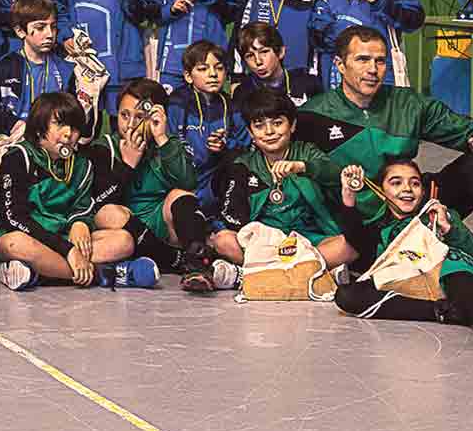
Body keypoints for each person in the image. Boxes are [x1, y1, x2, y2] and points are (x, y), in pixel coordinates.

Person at [308, 26, 473, 302]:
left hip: (413, 203)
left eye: (380, 61)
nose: (373, 69)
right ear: (340, 65)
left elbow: (471, 130)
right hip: (370, 228)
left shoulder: (408, 104)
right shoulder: (314, 115)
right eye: (362, 60)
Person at [330, 159, 473, 352]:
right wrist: (348, 194)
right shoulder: (379, 230)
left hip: (446, 272)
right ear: (382, 190)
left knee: (458, 275)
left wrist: (450, 230)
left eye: (415, 183)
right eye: (396, 182)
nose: (407, 189)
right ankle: (444, 311)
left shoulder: (438, 215)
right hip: (408, 279)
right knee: (347, 296)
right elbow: (354, 237)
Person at [0, 92, 144, 291]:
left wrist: (79, 223)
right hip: (25, 235)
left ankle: (39, 272)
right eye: (59, 124)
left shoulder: (81, 163)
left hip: (60, 236)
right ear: (38, 129)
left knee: (123, 241)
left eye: (74, 127)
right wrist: (69, 251)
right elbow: (13, 219)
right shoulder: (18, 158)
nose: (68, 134)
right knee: (15, 244)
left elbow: (83, 207)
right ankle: (102, 274)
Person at [106, 79, 234, 292]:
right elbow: (102, 201)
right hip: (123, 230)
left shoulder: (169, 143)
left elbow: (189, 184)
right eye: (124, 115)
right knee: (111, 213)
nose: (129, 125)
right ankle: (174, 260)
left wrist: (162, 138)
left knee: (179, 194)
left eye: (140, 117)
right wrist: (127, 165)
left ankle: (196, 264)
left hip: (161, 226)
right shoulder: (107, 146)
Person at [210, 89, 354, 273]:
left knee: (348, 246)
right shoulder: (242, 166)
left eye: (278, 123)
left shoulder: (306, 152)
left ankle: (260, 273)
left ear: (292, 125)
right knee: (223, 241)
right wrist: (258, 241)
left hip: (309, 240)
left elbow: (335, 173)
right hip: (265, 243)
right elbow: (233, 215)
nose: (269, 132)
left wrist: (301, 167)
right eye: (259, 126)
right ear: (250, 132)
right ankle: (306, 271)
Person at [161, 40, 246, 216]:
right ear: (188, 76)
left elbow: (246, 147)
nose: (213, 74)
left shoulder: (231, 107)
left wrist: (225, 146)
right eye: (203, 69)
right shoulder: (177, 104)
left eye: (219, 68)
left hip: (215, 182)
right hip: (181, 181)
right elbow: (167, 146)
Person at [0, 0, 77, 138]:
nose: (49, 34)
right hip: (14, 141)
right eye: (40, 28)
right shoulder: (4, 68)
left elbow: (73, 116)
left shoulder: (65, 69)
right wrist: (13, 124)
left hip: (53, 142)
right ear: (20, 31)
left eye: (53, 27)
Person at [233, 22, 323, 105]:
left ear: (280, 52)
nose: (258, 61)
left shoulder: (307, 83)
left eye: (264, 52)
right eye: (250, 56)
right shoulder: (243, 93)